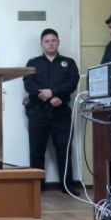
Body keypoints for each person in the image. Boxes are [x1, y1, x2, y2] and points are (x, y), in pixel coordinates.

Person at [23, 28, 80, 195]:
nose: (50, 43)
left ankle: (67, 186)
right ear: (41, 44)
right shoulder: (33, 63)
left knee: (64, 150)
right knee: (36, 151)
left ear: (58, 42)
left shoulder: (68, 63)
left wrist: (55, 93)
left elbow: (72, 83)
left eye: (53, 40)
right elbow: (28, 84)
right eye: (47, 41)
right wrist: (49, 96)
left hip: (60, 112)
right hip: (38, 112)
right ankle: (36, 187)